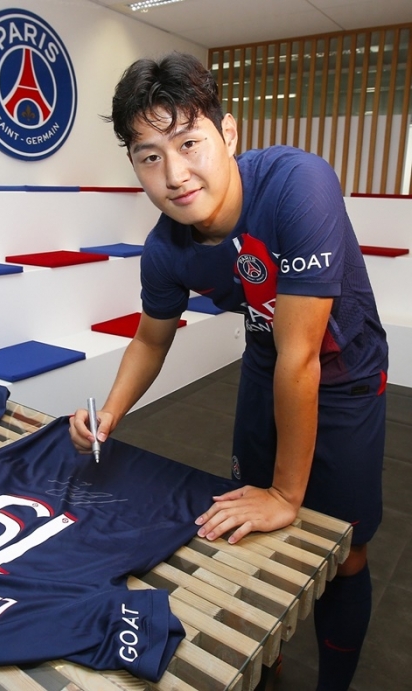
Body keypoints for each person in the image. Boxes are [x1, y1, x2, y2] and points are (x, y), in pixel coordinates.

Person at [69, 52, 388, 691]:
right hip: (268, 362)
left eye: (189, 143)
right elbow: (151, 339)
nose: (175, 174)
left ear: (229, 133)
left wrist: (288, 496)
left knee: (345, 550)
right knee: (244, 525)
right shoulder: (165, 249)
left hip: (345, 373)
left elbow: (304, 357)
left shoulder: (299, 183)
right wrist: (110, 413)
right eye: (149, 156)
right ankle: (266, 666)